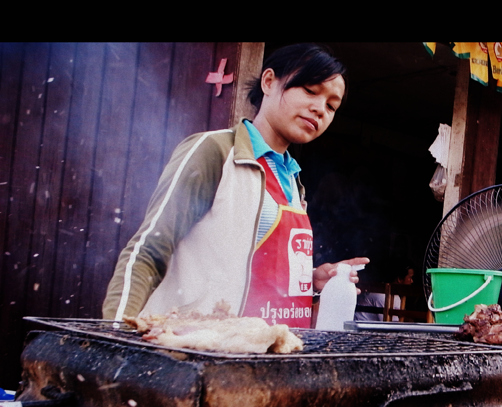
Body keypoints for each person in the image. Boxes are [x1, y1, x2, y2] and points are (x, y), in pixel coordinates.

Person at [103, 43, 368, 328]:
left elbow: (251, 266)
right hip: (193, 347)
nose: (319, 109)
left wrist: (310, 281)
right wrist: (114, 336)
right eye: (310, 91)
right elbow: (148, 250)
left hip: (263, 356)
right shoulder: (215, 152)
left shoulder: (293, 181)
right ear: (269, 82)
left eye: (331, 106)